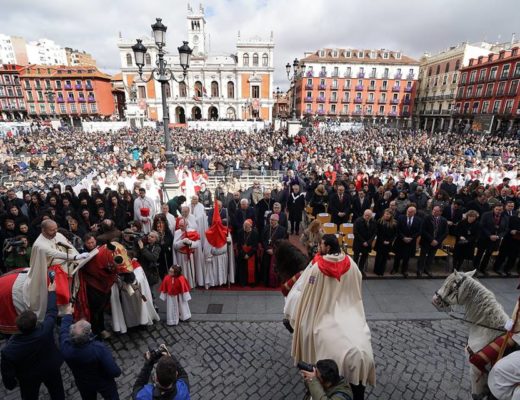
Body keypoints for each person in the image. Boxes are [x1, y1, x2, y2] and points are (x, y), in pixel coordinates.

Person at [284, 234, 375, 400]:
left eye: (321, 245)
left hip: (325, 312)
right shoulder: (352, 264)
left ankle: (310, 362)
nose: (319, 247)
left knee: (306, 328)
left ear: (327, 247)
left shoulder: (318, 268)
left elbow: (308, 295)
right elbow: (356, 287)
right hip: (348, 309)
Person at [1, 280, 65, 400]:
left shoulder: (9, 351)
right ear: (35, 323)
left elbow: (7, 374)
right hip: (50, 369)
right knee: (57, 393)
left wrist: (11, 385)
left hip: (28, 378)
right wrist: (51, 292)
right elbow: (51, 312)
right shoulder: (45, 331)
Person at [24, 219, 87, 320]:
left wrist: (78, 256)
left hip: (68, 263)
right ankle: (62, 311)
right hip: (52, 267)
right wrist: (75, 258)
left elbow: (69, 246)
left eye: (56, 229)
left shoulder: (58, 235)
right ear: (43, 230)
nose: (55, 232)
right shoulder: (39, 244)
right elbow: (54, 253)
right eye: (52, 230)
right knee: (61, 291)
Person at [59, 303, 121, 400]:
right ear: (89, 334)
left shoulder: (66, 349)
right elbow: (115, 371)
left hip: (83, 383)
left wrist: (68, 314)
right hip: (103, 382)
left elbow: (63, 331)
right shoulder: (98, 349)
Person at [474, 204, 509, 276]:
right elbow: (482, 226)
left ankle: (483, 269)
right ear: (494, 209)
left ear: (503, 210)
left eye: (500, 210)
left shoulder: (505, 217)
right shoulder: (486, 215)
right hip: (484, 238)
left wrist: (498, 236)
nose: (498, 211)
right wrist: (490, 235)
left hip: (495, 240)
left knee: (488, 255)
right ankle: (475, 269)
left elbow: (505, 230)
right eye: (497, 209)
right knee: (479, 254)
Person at [417, 206, 448, 277]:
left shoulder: (443, 220)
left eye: (436, 211)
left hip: (436, 243)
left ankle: (427, 269)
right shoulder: (426, 218)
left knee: (431, 257)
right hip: (426, 241)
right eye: (433, 210)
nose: (434, 212)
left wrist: (437, 241)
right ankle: (420, 269)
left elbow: (445, 232)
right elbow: (423, 230)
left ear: (440, 212)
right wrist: (431, 240)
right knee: (422, 256)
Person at [391, 206, 421, 278]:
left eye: (410, 212)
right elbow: (397, 229)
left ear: (414, 212)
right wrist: (403, 237)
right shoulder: (401, 217)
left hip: (411, 242)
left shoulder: (418, 220)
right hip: (400, 240)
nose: (408, 213)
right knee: (397, 256)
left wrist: (411, 238)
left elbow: (419, 231)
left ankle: (404, 270)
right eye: (408, 211)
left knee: (406, 257)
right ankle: (395, 268)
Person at [261, 213, 288, 287]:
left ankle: (274, 282)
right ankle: (265, 282)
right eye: (270, 219)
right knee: (265, 266)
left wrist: (274, 250)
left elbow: (284, 241)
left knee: (275, 267)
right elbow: (263, 239)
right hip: (267, 250)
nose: (271, 221)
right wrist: (267, 248)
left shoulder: (282, 230)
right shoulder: (266, 228)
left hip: (276, 252)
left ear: (277, 220)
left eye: (273, 220)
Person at [352, 209, 377, 277]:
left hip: (367, 244)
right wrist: (363, 241)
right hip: (358, 243)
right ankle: (354, 270)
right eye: (366, 215)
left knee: (364, 257)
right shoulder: (358, 221)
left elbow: (374, 233)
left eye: (369, 216)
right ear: (363, 214)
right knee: (356, 257)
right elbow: (355, 232)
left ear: (371, 216)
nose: (367, 217)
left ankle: (361, 269)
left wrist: (368, 242)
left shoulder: (374, 222)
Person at [373, 209, 397, 276]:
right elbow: (377, 232)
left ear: (391, 215)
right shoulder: (379, 221)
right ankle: (376, 270)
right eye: (385, 214)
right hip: (380, 242)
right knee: (379, 257)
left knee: (384, 257)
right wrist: (383, 240)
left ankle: (381, 271)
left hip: (388, 244)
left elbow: (394, 234)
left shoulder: (394, 223)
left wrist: (389, 241)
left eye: (388, 214)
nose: (386, 215)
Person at [236, 219, 259, 287]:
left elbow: (255, 246)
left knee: (252, 269)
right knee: (242, 269)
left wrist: (249, 254)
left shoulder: (255, 233)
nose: (245, 227)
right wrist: (243, 254)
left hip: (251, 254)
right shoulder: (240, 232)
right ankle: (243, 282)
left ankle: (251, 283)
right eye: (244, 225)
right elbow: (238, 245)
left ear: (250, 226)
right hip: (242, 254)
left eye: (247, 226)